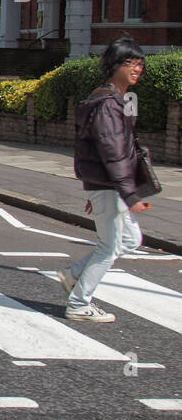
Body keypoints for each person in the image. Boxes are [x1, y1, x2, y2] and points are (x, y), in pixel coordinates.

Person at [60, 38, 151, 322]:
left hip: (107, 185)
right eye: (130, 63)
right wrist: (129, 194)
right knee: (109, 247)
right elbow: (113, 152)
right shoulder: (109, 104)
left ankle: (74, 275)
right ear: (115, 66)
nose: (137, 68)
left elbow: (119, 149)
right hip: (111, 185)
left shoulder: (116, 100)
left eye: (140, 63)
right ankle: (78, 303)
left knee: (130, 239)